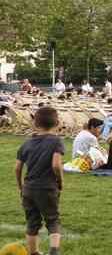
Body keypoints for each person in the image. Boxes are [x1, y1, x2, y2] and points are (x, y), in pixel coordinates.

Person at [14, 107, 64, 255]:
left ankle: (34, 253)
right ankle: (54, 252)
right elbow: (56, 165)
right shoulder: (56, 141)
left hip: (28, 188)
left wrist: (20, 187)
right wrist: (60, 181)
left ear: (35, 124)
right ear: (57, 123)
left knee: (32, 222)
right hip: (47, 187)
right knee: (52, 220)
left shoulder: (26, 143)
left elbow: (17, 168)